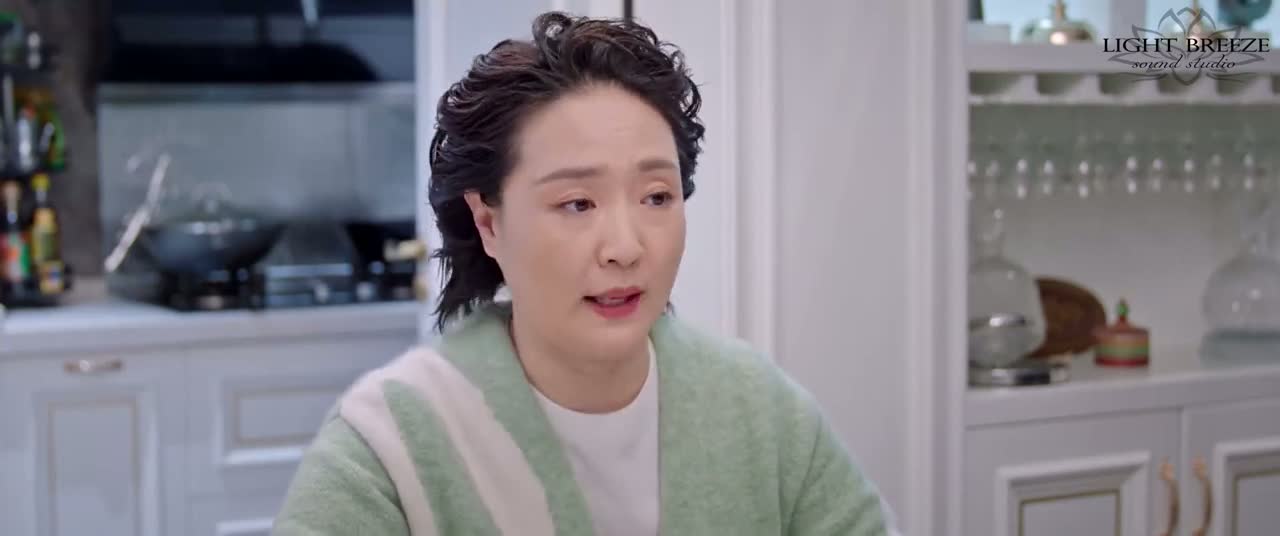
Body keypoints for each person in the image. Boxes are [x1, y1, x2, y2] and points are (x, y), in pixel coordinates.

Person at [272, 11, 895, 536]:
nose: (625, 247)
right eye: (577, 203)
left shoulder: (767, 417)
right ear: (489, 222)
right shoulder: (385, 452)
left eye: (657, 197)